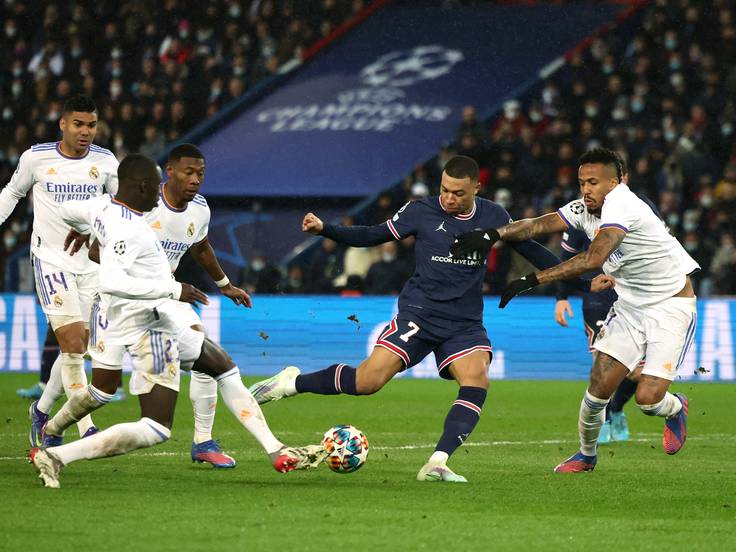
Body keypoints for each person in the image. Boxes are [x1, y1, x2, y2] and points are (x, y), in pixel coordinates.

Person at [249, 155, 610, 483]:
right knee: (368, 381)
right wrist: (326, 229)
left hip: (464, 322)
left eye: (457, 193)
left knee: (476, 381)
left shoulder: (494, 216)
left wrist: (583, 281)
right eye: (444, 190)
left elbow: (534, 251)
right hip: (419, 314)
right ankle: (291, 382)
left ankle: (437, 462)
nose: (448, 199)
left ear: (476, 189)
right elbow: (373, 235)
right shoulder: (420, 211)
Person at [31, 154, 325, 488]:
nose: (158, 191)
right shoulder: (131, 229)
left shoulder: (102, 206)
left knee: (222, 366)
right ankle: (56, 453)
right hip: (147, 322)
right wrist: (174, 288)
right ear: (142, 186)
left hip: (146, 313)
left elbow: (69, 211)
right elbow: (111, 280)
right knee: (151, 425)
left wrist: (83, 230)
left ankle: (275, 449)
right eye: (154, 184)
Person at [459, 148, 698, 473]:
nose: (586, 189)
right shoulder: (585, 208)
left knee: (648, 399)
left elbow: (592, 259)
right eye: (582, 182)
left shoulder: (623, 205)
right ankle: (586, 455)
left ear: (614, 183)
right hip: (630, 305)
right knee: (598, 385)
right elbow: (537, 225)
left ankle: (675, 407)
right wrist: (492, 235)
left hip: (671, 305)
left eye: (594, 182)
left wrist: (532, 279)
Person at [0, 95, 119, 445]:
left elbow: (119, 206)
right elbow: (11, 193)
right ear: (63, 124)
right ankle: (86, 427)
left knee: (80, 348)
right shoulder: (36, 157)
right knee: (71, 341)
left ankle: (41, 410)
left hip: (91, 267)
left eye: (92, 125)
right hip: (51, 261)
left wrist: (94, 231)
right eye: (79, 124)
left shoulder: (106, 162)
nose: (86, 132)